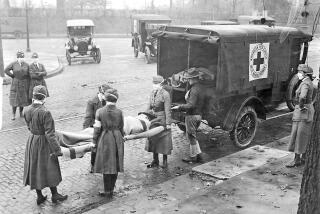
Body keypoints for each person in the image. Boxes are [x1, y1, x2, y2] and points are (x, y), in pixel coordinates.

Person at [23, 85, 67, 205]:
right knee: (50, 166)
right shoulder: (45, 112)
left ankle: (39, 196)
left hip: (32, 141)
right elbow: (50, 134)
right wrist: (57, 150)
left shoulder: (26, 109)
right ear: (44, 98)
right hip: (44, 143)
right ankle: (55, 195)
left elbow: (28, 126)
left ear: (33, 96)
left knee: (35, 167)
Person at [92, 89, 124, 198]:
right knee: (115, 164)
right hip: (117, 138)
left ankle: (107, 191)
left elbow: (96, 129)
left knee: (106, 165)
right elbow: (121, 127)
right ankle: (111, 189)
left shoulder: (99, 112)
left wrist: (94, 142)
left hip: (105, 138)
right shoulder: (119, 112)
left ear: (105, 99)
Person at [171, 67, 206, 163]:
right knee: (193, 136)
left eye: (189, 79)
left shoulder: (194, 90)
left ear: (194, 79)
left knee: (191, 137)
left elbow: (191, 105)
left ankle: (193, 157)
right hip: (198, 115)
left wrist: (179, 107)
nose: (188, 80)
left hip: (191, 116)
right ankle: (199, 156)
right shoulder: (201, 87)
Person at [286, 64, 315, 168]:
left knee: (298, 135)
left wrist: (301, 106)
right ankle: (304, 157)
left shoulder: (305, 84)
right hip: (308, 111)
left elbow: (302, 97)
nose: (298, 73)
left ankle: (296, 160)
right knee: (305, 135)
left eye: (300, 72)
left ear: (305, 74)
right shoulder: (309, 82)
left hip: (302, 112)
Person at [145, 76, 172, 168]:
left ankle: (164, 160)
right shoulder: (152, 92)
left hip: (162, 119)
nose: (154, 85)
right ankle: (155, 160)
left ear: (161, 84)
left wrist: (168, 123)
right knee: (153, 139)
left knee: (164, 140)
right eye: (154, 83)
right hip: (153, 119)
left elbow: (168, 110)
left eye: (156, 84)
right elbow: (149, 106)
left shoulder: (165, 94)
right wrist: (144, 115)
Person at [83, 84, 112, 173]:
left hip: (106, 127)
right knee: (95, 147)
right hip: (95, 127)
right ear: (100, 93)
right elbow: (88, 117)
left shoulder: (108, 100)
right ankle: (93, 165)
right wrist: (85, 131)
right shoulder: (92, 102)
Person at [4, 50, 30, 120]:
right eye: (20, 57)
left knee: (22, 99)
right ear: (17, 58)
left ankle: (21, 113)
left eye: (22, 57)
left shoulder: (26, 64)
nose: (21, 58)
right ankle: (13, 114)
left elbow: (29, 73)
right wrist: (12, 76)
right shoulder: (13, 64)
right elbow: (6, 70)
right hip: (15, 83)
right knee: (14, 99)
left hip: (24, 84)